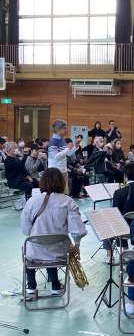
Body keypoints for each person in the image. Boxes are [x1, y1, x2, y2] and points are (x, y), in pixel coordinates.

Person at [21, 168, 87, 298]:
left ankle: (31, 287)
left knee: (28, 249)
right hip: (59, 253)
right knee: (52, 248)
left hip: (35, 254)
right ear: (62, 182)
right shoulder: (68, 201)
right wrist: (77, 245)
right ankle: (55, 286)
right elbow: (77, 230)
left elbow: (26, 229)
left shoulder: (31, 201)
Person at [48, 119, 76, 194]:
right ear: (58, 129)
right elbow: (55, 157)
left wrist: (75, 146)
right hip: (55, 172)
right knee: (57, 195)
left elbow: (68, 154)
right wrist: (67, 149)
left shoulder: (62, 140)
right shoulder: (52, 141)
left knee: (64, 194)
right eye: (65, 128)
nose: (66, 130)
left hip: (63, 171)